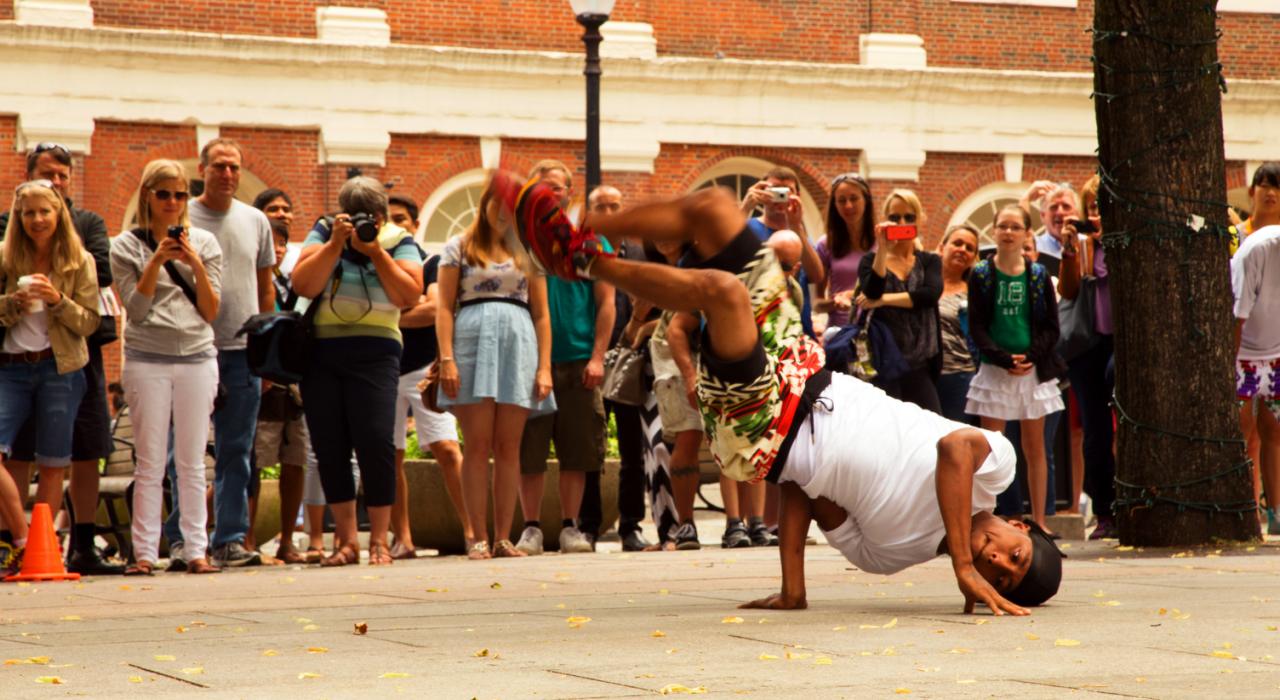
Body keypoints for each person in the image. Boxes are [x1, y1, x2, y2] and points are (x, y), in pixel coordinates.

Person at [507, 175, 1063, 614]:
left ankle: (579, 263)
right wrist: (963, 563)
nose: (995, 560)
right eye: (1012, 555)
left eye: (998, 576)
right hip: (801, 365)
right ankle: (581, 234)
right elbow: (954, 451)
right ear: (1023, 526)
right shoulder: (996, 469)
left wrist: (792, 586)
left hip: (766, 429)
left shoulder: (890, 555)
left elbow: (800, 487)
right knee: (715, 209)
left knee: (722, 292)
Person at [0, 142, 122, 575]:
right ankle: (17, 537)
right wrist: (12, 302)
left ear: (59, 213)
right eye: (29, 212)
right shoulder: (5, 254)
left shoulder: (79, 257)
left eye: (45, 211)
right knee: (11, 458)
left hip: (61, 366)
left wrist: (57, 301)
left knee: (55, 461)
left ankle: (40, 551)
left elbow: (90, 320)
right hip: (11, 368)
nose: (37, 219)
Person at [290, 176, 423, 566]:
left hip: (377, 350)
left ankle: (379, 539)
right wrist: (335, 244)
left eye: (375, 218)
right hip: (322, 350)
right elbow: (303, 284)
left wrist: (377, 253)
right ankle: (346, 541)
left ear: (382, 216)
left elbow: (410, 294)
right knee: (329, 444)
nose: (370, 224)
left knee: (376, 441)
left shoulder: (399, 239)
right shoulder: (325, 231)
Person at [163, 138, 274, 569]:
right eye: (219, 166)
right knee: (183, 451)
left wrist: (267, 347)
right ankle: (180, 538)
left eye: (234, 167)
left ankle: (229, 537)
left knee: (237, 449)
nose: (227, 174)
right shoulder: (182, 216)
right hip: (189, 349)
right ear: (202, 169)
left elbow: (266, 286)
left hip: (242, 351)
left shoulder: (256, 220)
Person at [110, 160, 222, 575]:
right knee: (150, 460)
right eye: (163, 194)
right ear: (147, 196)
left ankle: (196, 550)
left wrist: (193, 264)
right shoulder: (126, 245)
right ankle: (143, 553)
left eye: (179, 194)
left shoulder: (206, 243)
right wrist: (156, 262)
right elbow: (135, 312)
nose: (172, 202)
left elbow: (211, 310)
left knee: (192, 460)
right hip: (146, 358)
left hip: (196, 356)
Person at [436, 175, 553, 560]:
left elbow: (542, 315)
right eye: (498, 202)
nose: (504, 211)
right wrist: (447, 358)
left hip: (518, 345)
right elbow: (443, 307)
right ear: (485, 203)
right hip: (471, 345)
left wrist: (544, 367)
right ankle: (477, 537)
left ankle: (503, 537)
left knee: (509, 446)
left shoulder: (528, 251)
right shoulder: (458, 247)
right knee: (477, 445)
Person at [516, 160, 614, 555]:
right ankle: (531, 528)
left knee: (577, 449)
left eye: (557, 188)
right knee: (529, 450)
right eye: (542, 187)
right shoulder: (519, 243)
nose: (550, 193)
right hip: (528, 360)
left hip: (578, 360)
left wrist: (598, 357)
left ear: (568, 195)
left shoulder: (591, 242)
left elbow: (606, 304)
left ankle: (571, 527)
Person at [965, 205, 1066, 533]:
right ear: (994, 231)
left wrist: (1030, 357)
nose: (1008, 232)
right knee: (993, 447)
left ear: (1026, 233)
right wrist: (1004, 359)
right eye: (1002, 226)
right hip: (996, 371)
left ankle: (1039, 519)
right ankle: (989, 518)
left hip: (1032, 371)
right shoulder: (981, 274)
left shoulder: (1037, 275)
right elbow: (978, 326)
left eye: (1015, 227)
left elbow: (1051, 326)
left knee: (1035, 447)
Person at [386, 193, 470, 558]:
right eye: (389, 219)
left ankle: (473, 531)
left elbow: (436, 308)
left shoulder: (432, 263)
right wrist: (413, 306)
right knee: (390, 457)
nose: (396, 224)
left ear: (415, 226)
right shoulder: (375, 267)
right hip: (383, 371)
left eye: (402, 218)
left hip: (424, 369)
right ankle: (402, 539)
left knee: (448, 449)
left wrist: (387, 315)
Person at [579, 185, 654, 552]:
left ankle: (631, 527)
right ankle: (588, 526)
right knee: (591, 447)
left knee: (632, 447)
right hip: (591, 359)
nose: (609, 212)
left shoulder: (640, 253)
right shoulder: (580, 254)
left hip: (631, 360)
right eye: (601, 207)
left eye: (615, 206)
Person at [250, 217, 314, 563]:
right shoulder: (251, 282)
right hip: (262, 382)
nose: (275, 248)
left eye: (281, 243)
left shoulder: (294, 283)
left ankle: (287, 542)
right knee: (255, 463)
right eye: (269, 241)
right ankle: (245, 541)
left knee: (295, 461)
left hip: (294, 385)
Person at [1057, 178, 1116, 539]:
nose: (1095, 213)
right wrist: (1071, 249)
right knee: (1094, 430)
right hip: (1087, 343)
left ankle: (1132, 500)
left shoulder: (1122, 241)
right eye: (1091, 206)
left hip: (1121, 342)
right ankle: (1106, 510)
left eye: (1101, 206)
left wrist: (1106, 240)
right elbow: (1068, 290)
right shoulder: (1081, 244)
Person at [856, 189, 943, 413]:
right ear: (885, 219)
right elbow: (872, 290)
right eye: (894, 218)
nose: (901, 222)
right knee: (887, 433)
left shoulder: (929, 260)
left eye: (909, 217)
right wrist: (883, 248)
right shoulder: (870, 260)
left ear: (919, 220)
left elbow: (930, 295)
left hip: (921, 363)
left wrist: (884, 300)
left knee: (932, 428)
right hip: (883, 362)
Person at [1231, 162, 1280, 536]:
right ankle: (1249, 510)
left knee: (1274, 431)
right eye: (1262, 185)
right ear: (1252, 192)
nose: (1270, 192)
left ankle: (1275, 511)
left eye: (1276, 187)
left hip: (1276, 351)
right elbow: (1238, 312)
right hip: (1245, 352)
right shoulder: (1243, 242)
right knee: (1246, 431)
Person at [815, 173, 875, 329]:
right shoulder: (825, 244)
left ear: (866, 200)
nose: (848, 205)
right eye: (841, 201)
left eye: (854, 198)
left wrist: (855, 296)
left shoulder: (883, 242)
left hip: (876, 332)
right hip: (840, 334)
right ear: (835, 205)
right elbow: (816, 304)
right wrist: (835, 302)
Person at [935, 225, 980, 424]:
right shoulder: (923, 285)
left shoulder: (974, 292)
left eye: (970, 248)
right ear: (941, 247)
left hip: (959, 377)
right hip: (924, 375)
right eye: (957, 243)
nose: (963, 249)